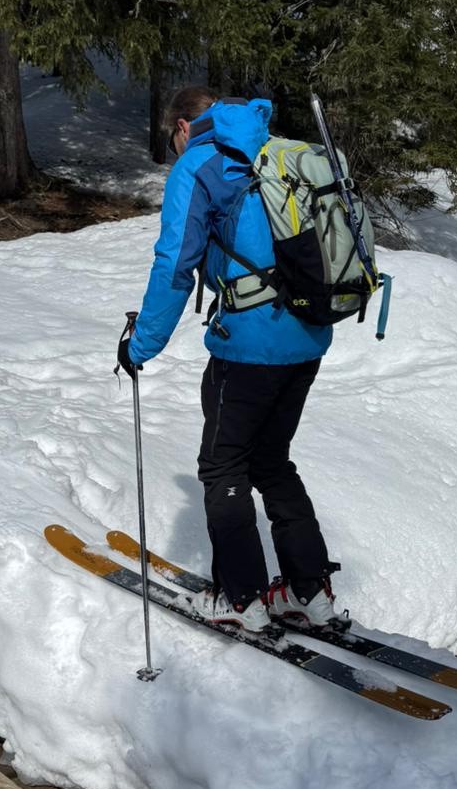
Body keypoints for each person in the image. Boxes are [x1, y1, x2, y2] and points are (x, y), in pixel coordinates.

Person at [116, 87, 338, 632]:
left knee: (224, 465)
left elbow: (175, 265)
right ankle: (307, 591)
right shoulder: (283, 153)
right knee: (272, 461)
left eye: (172, 139)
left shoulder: (201, 165)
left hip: (247, 344)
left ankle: (240, 598)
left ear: (184, 127)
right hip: (307, 335)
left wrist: (140, 345)